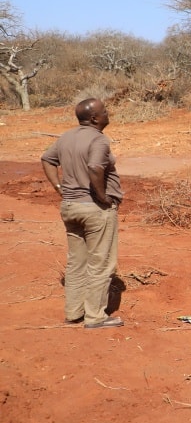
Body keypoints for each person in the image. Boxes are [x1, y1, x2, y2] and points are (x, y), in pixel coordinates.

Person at [40, 98, 125, 329]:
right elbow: (95, 167)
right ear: (95, 118)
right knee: (101, 262)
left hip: (70, 207)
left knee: (77, 261)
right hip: (94, 209)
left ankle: (73, 312)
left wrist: (59, 188)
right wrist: (103, 197)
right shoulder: (98, 139)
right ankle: (95, 317)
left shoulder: (66, 137)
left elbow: (47, 159)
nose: (108, 114)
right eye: (104, 111)